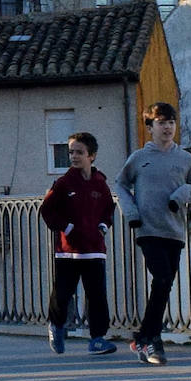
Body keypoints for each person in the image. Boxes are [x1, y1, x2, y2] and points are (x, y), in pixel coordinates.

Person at [114, 102, 191, 365]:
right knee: (162, 278)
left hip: (174, 230)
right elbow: (120, 184)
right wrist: (131, 212)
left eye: (171, 122)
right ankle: (152, 341)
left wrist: (181, 195)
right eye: (161, 122)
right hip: (147, 228)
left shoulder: (185, 159)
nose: (167, 127)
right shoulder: (139, 158)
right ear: (150, 127)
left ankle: (143, 337)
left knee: (163, 284)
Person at [40, 132, 118, 357]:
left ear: (91, 156)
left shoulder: (100, 182)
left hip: (94, 250)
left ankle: (97, 339)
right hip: (68, 252)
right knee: (63, 294)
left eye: (79, 152)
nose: (74, 156)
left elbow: (108, 209)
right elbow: (47, 210)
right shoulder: (64, 183)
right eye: (71, 152)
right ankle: (56, 325)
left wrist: (103, 226)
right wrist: (67, 227)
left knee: (97, 296)